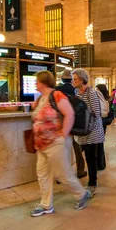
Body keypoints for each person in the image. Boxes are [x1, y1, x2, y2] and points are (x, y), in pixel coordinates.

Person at [28, 71, 92, 217]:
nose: (35, 84)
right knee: (43, 174)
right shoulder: (40, 99)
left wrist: (63, 135)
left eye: (37, 81)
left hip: (56, 142)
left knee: (63, 174)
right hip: (42, 144)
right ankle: (46, 205)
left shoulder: (56, 95)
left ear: (43, 82)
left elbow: (69, 113)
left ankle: (81, 194)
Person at [72, 68, 105, 197]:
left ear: (82, 80)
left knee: (91, 158)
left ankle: (92, 184)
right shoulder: (77, 91)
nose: (73, 81)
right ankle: (91, 182)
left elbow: (96, 113)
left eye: (75, 79)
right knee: (87, 157)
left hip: (93, 130)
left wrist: (82, 113)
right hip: (83, 130)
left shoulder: (91, 92)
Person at [55, 70, 87, 179]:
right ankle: (80, 171)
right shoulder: (75, 90)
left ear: (62, 79)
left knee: (64, 150)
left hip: (61, 123)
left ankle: (61, 176)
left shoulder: (57, 90)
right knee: (77, 148)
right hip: (75, 123)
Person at [95, 84, 111, 171]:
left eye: (97, 89)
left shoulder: (101, 100)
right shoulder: (106, 99)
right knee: (100, 142)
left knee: (99, 143)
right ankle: (101, 163)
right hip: (103, 121)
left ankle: (100, 164)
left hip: (101, 121)